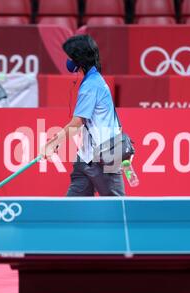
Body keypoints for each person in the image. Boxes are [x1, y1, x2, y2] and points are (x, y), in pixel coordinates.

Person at [41, 34, 125, 196]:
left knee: (118, 210)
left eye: (71, 57)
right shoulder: (93, 80)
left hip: (104, 158)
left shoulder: (91, 85)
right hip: (86, 157)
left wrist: (52, 143)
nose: (68, 60)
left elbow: (76, 124)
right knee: (74, 208)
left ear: (79, 60)